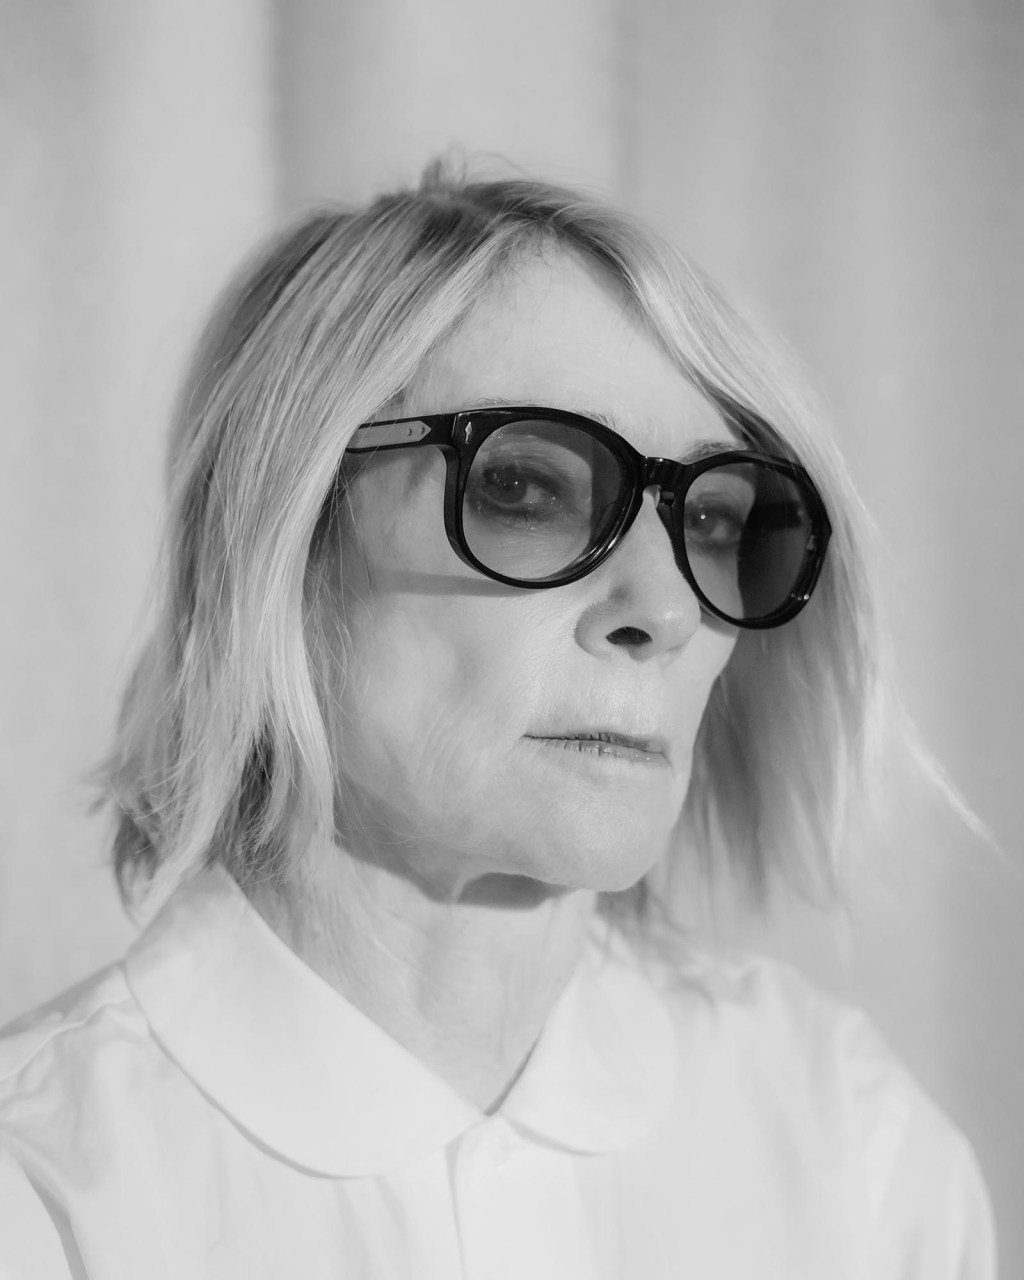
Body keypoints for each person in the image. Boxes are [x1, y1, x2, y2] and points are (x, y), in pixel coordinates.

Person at [0, 161, 996, 1278]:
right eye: (522, 487)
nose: (667, 607)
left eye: (715, 519)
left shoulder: (859, 1157)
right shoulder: (44, 1197)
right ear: (280, 537)